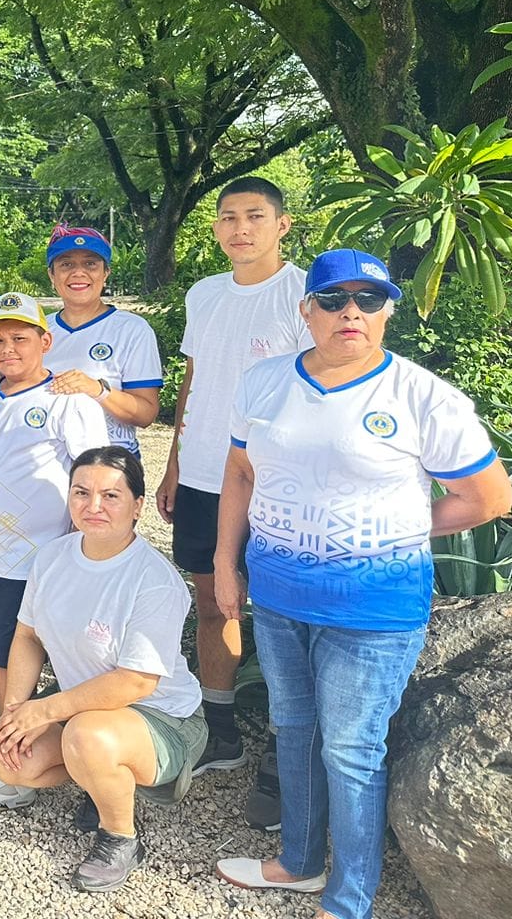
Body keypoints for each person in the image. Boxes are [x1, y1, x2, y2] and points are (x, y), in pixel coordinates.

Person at [213, 249, 510, 919]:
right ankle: (296, 862)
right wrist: (228, 565)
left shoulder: (422, 396)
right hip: (281, 596)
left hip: (374, 607)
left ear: (387, 312)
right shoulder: (264, 383)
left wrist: (399, 529)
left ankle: (348, 901)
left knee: (350, 750)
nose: (351, 312)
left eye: (368, 300)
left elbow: (488, 497)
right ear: (307, 310)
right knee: (292, 726)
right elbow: (240, 476)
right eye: (335, 299)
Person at [0, 447, 208, 894]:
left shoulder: (154, 580)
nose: (94, 506)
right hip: (81, 706)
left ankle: (120, 836)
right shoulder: (53, 557)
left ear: (138, 505)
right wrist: (13, 714)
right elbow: (27, 636)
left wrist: (44, 711)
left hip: (162, 716)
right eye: (81, 492)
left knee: (86, 736)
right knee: (11, 763)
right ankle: (99, 777)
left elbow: (137, 680)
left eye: (111, 496)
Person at [155, 177, 311, 810]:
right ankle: (221, 731)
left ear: (282, 225)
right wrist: (173, 461)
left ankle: (283, 749)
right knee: (213, 602)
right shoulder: (204, 293)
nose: (239, 228)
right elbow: (193, 378)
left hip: (272, 481)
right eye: (227, 217)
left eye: (254, 216)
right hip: (200, 476)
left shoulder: (305, 295)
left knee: (276, 614)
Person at [0, 293, 109, 714]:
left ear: (45, 341)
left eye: (20, 338)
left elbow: (93, 479)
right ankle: (12, 740)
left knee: (11, 654)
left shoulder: (68, 402)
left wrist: (82, 554)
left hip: (27, 558)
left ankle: (9, 753)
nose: (8, 350)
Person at [42, 224, 162, 457]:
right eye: (66, 264)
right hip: (47, 461)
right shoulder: (37, 329)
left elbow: (146, 414)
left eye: (91, 263)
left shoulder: (132, 329)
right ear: (51, 274)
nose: (78, 273)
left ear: (105, 272)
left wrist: (96, 389)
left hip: (109, 461)